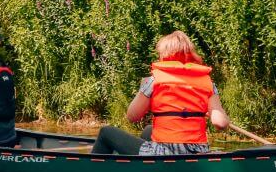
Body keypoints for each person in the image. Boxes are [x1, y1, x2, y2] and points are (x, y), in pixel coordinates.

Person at [90, 31, 230, 156]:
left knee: (106, 132)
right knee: (148, 130)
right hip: (198, 152)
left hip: (163, 153)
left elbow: (132, 116)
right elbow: (220, 122)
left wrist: (143, 89)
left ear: (165, 55)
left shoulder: (154, 81)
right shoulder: (207, 83)